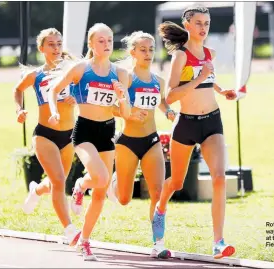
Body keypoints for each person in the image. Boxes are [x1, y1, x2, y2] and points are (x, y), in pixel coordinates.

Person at [156, 6, 237, 259]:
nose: (204, 27)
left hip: (212, 122)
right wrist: (198, 77)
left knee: (219, 177)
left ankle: (218, 242)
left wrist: (222, 91)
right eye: (199, 23)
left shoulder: (209, 53)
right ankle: (160, 208)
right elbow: (171, 96)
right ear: (187, 25)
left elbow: (208, 79)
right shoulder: (180, 56)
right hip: (186, 124)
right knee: (177, 183)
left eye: (207, 23)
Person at [48, 23, 131, 261]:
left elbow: (124, 113)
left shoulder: (121, 74)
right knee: (102, 178)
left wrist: (122, 96)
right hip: (84, 131)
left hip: (107, 132)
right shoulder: (81, 69)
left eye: (110, 40)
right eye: (101, 41)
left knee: (101, 191)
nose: (107, 45)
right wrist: (55, 111)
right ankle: (81, 185)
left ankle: (84, 240)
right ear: (91, 44)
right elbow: (54, 90)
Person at [104, 31, 176, 259]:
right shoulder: (126, 78)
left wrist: (170, 111)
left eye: (151, 49)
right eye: (143, 50)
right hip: (127, 143)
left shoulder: (159, 80)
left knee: (157, 191)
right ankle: (112, 182)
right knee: (124, 199)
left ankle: (158, 243)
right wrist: (129, 113)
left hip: (152, 141)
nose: (148, 54)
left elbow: (162, 102)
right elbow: (110, 107)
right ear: (132, 52)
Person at [14, 28, 81, 248]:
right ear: (41, 48)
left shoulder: (72, 71)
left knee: (55, 183)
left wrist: (76, 98)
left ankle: (37, 189)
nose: (56, 48)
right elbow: (18, 90)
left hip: (69, 135)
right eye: (51, 44)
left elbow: (85, 92)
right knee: (60, 182)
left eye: (59, 44)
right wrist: (19, 110)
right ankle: (70, 230)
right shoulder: (35, 75)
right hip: (44, 134)